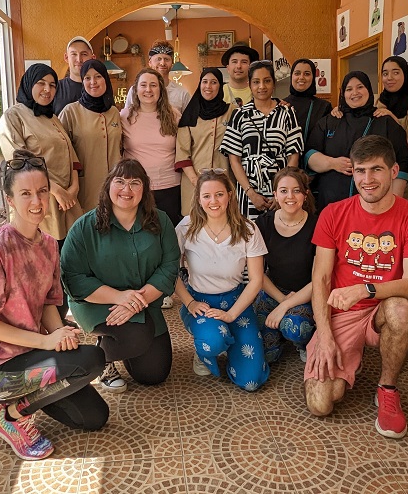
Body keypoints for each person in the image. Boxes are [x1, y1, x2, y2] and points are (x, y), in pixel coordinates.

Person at [0, 149, 108, 461]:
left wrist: (61, 335)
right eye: (25, 193)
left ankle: (12, 401)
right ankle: (11, 416)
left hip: (29, 356)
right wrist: (46, 340)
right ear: (10, 199)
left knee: (95, 417)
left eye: (42, 191)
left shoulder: (49, 245)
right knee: (92, 359)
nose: (37, 201)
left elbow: (45, 305)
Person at [304, 135, 408, 439]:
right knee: (321, 404)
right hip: (342, 313)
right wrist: (324, 336)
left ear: (394, 171)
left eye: (376, 169)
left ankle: (387, 389)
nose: (367, 179)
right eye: (360, 170)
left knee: (402, 311)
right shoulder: (333, 213)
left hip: (381, 306)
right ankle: (350, 359)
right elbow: (320, 279)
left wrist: (365, 289)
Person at [61, 159, 179, 393]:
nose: (127, 190)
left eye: (135, 183)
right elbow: (73, 277)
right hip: (98, 304)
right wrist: (119, 297)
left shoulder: (160, 221)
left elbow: (169, 266)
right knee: (137, 334)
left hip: (144, 303)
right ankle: (100, 358)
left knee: (154, 374)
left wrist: (133, 302)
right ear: (108, 187)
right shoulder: (84, 227)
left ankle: (120, 346)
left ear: (144, 189)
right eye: (120, 182)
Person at [174, 169, 269, 391]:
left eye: (219, 194)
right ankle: (207, 347)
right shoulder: (186, 228)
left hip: (237, 303)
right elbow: (169, 273)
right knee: (213, 340)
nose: (213, 201)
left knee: (251, 382)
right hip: (200, 303)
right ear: (198, 199)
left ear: (229, 195)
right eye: (206, 196)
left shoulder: (248, 229)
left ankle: (229, 341)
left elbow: (256, 280)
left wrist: (231, 314)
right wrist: (190, 303)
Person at [0, 63, 81, 244]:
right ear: (29, 84)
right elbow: (19, 165)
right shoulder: (14, 117)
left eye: (52, 85)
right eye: (41, 83)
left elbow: (72, 157)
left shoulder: (53, 118)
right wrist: (56, 190)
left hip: (67, 202)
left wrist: (74, 188)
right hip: (42, 201)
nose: (47, 89)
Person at [305, 71, 408, 212]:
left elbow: (402, 165)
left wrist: (394, 206)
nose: (355, 92)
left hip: (375, 207)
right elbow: (309, 155)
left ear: (369, 89)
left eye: (360, 87)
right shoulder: (330, 121)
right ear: (343, 94)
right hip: (330, 205)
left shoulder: (385, 122)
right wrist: (333, 163)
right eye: (349, 89)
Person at [220, 60, 303, 220]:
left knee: (280, 236)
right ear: (249, 84)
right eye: (256, 82)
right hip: (249, 194)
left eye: (267, 81)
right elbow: (234, 160)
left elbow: (293, 155)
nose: (262, 87)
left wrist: (281, 192)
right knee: (250, 240)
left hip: (281, 195)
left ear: (274, 83)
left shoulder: (287, 112)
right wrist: (251, 193)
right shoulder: (240, 115)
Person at [254, 167, 317, 364]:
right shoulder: (263, 223)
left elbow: (320, 278)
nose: (290, 196)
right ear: (275, 195)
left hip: (306, 294)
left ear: (305, 195)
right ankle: (279, 333)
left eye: (296, 190)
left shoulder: (318, 225)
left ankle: (303, 342)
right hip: (274, 292)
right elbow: (258, 274)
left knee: (296, 329)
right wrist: (281, 300)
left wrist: (287, 305)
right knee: (266, 355)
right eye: (283, 191)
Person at [58, 59, 121, 212]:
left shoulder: (113, 112)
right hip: (85, 190)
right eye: (87, 77)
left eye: (98, 76)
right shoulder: (70, 112)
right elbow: (61, 152)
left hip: (115, 187)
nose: (93, 82)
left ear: (105, 79)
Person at [121, 68, 182, 225]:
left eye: (153, 85)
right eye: (143, 85)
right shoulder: (124, 116)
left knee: (168, 235)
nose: (148, 90)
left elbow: (185, 148)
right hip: (136, 187)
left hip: (170, 187)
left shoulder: (174, 115)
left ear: (161, 89)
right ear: (136, 89)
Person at [175, 67, 237, 216]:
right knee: (194, 229)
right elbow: (182, 153)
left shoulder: (231, 112)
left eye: (214, 82)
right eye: (205, 82)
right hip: (193, 184)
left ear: (220, 86)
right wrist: (197, 182)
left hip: (225, 182)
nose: (208, 86)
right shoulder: (190, 114)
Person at [376, 56, 408, 203]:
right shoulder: (377, 102)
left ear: (405, 75)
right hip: (375, 175)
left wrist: (392, 118)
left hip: (401, 175)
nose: (389, 78)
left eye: (396, 72)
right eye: (385, 73)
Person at [124, 40, 191, 112]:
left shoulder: (182, 93)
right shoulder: (136, 91)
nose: (162, 63)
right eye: (158, 59)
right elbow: (127, 117)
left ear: (172, 63)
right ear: (150, 62)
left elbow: (190, 121)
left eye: (166, 59)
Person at [284, 59, 333, 143]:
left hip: (314, 155)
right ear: (291, 76)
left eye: (307, 74)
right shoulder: (280, 104)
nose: (301, 77)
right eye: (297, 73)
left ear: (313, 77)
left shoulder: (324, 107)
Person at [53, 36, 95, 115]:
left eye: (84, 54)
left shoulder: (98, 88)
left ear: (93, 58)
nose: (79, 59)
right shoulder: (55, 88)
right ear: (66, 57)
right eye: (74, 54)